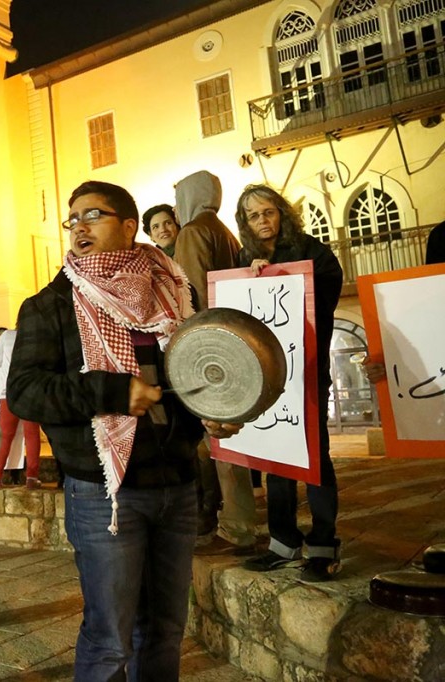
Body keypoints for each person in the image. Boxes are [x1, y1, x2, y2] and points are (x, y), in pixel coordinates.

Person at [8, 180, 242, 680]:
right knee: (109, 637)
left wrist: (214, 414)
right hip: (104, 497)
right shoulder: (50, 305)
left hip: (177, 487)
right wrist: (113, 393)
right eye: (73, 219)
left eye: (93, 215)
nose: (79, 228)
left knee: (164, 630)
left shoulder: (176, 290)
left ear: (130, 226)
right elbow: (27, 391)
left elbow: (196, 373)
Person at [235, 184, 344, 583]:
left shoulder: (313, 250)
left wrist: (280, 276)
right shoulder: (245, 258)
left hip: (308, 370)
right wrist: (249, 277)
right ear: (245, 223)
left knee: (315, 457)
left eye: (268, 212)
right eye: (253, 215)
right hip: (268, 375)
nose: (262, 221)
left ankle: (323, 545)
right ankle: (282, 543)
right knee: (275, 454)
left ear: (281, 213)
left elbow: (325, 292)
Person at [173, 170, 258, 555]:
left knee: (211, 440)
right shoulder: (224, 231)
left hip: (207, 345)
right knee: (226, 436)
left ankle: (234, 523)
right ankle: (240, 517)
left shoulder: (192, 232)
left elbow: (190, 294)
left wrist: (193, 347)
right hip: (231, 337)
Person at [0, 326, 42, 490]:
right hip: (30, 391)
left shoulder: (7, 336)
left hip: (9, 392)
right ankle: (32, 477)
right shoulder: (36, 335)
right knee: (32, 434)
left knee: (5, 436)